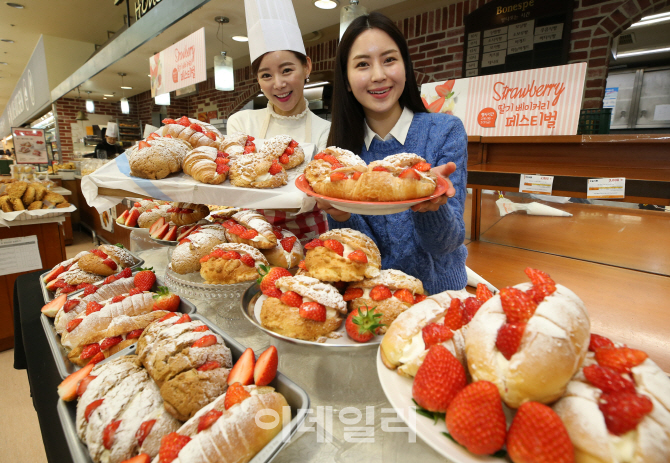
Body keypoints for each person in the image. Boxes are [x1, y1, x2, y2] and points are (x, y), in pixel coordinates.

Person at [319, 12, 467, 294]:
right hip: (372, 299)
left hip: (439, 294)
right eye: (363, 64)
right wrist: (340, 216)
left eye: (389, 60)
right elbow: (356, 257)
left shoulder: (445, 131)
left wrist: (430, 204)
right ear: (347, 80)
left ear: (406, 67)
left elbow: (447, 243)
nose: (379, 75)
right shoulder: (340, 155)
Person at [226, 0, 331, 242]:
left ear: (306, 67)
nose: (279, 84)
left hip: (310, 235)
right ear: (258, 81)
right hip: (252, 233)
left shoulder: (326, 130)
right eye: (266, 75)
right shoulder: (240, 124)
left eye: (287, 70)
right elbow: (234, 189)